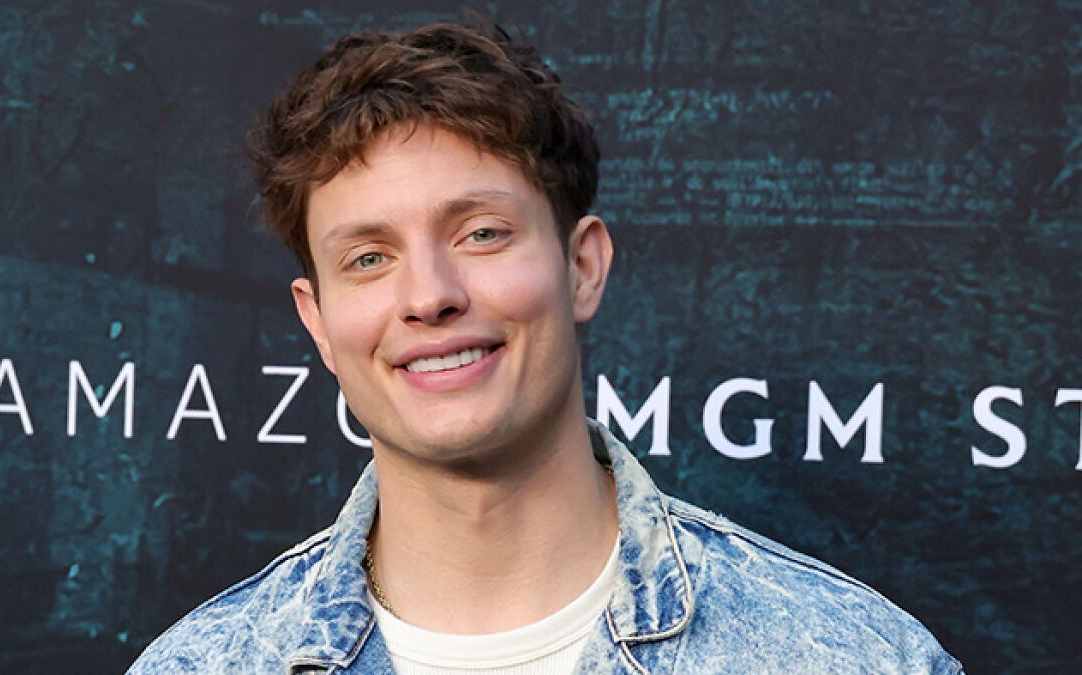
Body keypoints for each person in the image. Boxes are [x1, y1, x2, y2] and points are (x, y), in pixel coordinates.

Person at [130, 19, 962, 674]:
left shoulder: (857, 660)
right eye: (369, 257)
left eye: (483, 232)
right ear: (317, 321)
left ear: (583, 266)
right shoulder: (201, 666)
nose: (429, 295)